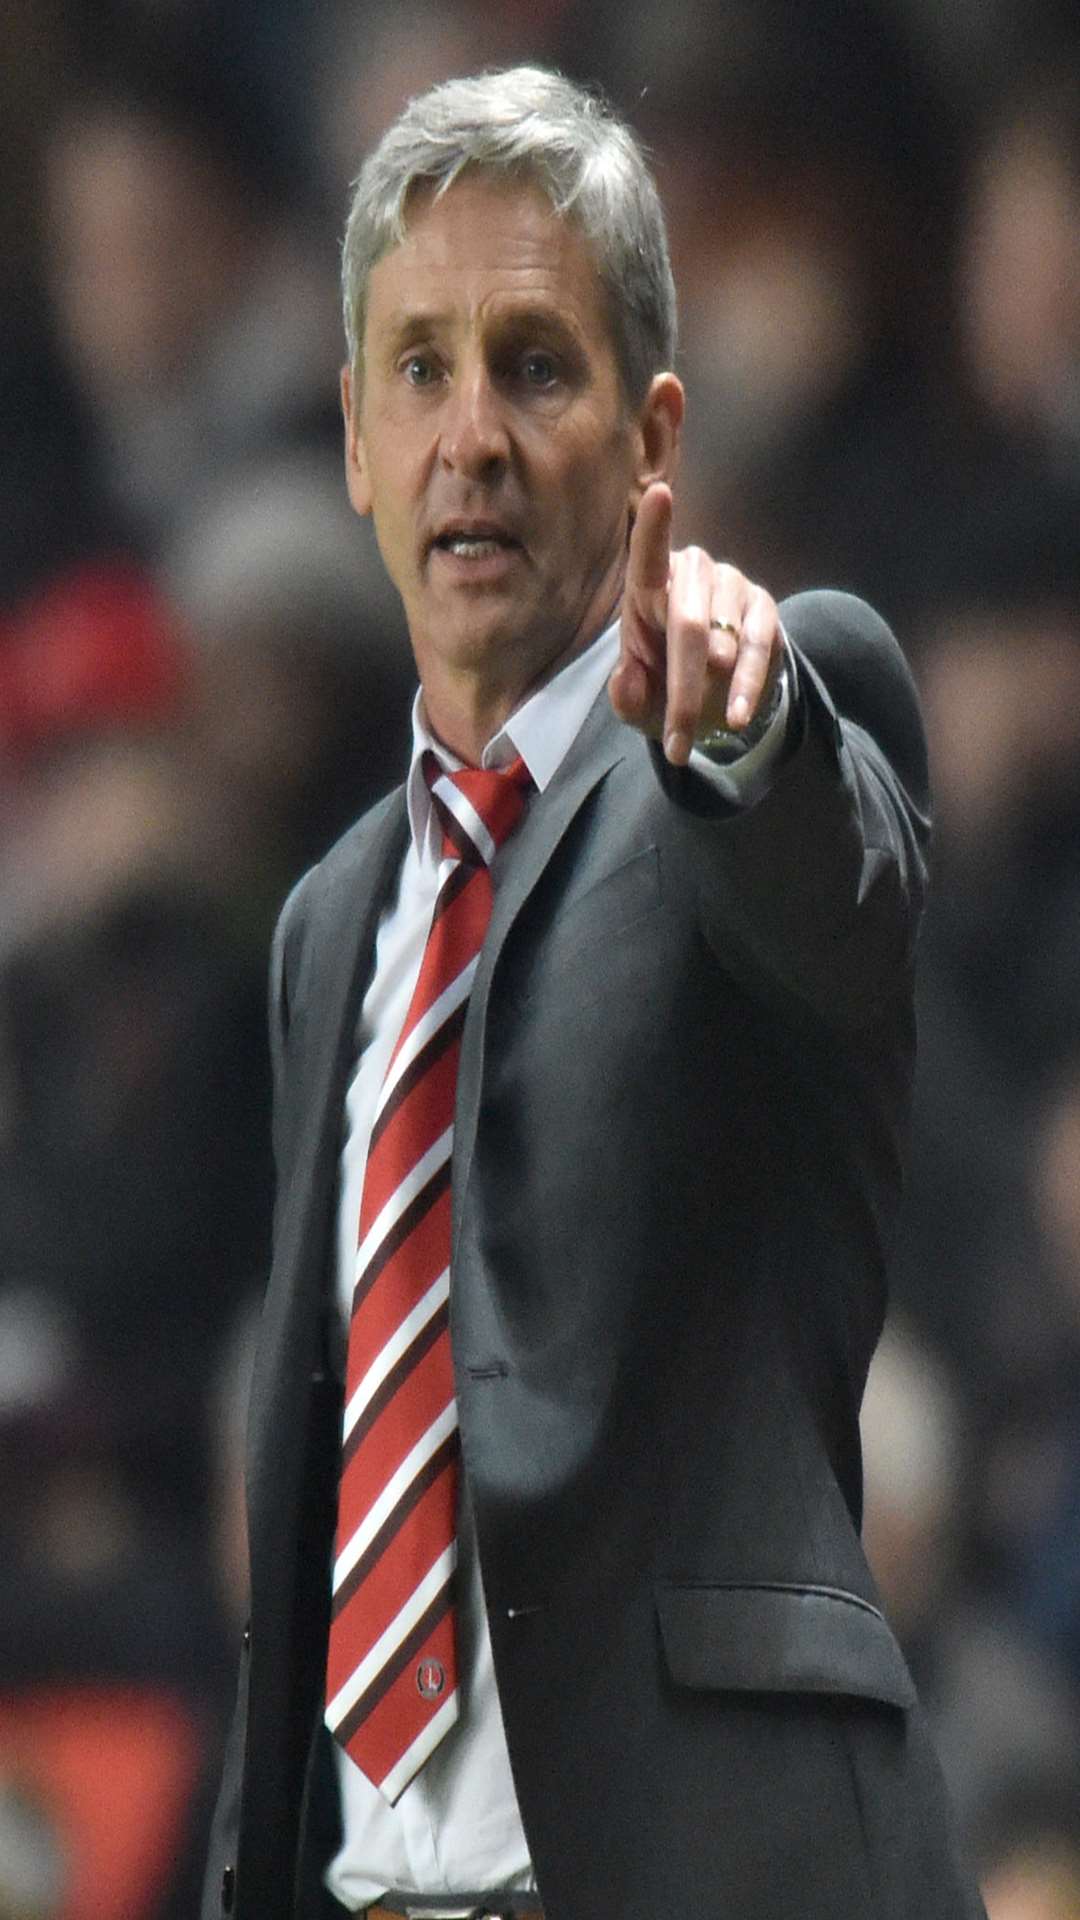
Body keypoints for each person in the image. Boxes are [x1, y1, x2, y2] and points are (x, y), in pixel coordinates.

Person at [204, 65, 985, 1920]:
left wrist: (745, 727)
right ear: (350, 441)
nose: (469, 432)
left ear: (651, 439)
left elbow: (833, 901)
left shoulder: (766, 728)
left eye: (534, 366)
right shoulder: (331, 926)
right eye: (420, 371)